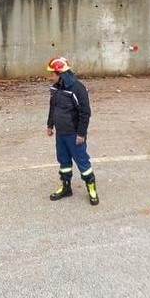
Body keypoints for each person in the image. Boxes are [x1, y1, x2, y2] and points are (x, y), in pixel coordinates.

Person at [46, 56, 99, 205]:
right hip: (61, 134)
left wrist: (81, 134)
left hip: (74, 135)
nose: (50, 77)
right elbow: (53, 107)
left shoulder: (78, 89)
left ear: (60, 74)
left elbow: (85, 113)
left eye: (52, 74)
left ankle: (92, 189)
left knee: (82, 163)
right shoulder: (55, 88)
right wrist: (50, 125)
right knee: (64, 161)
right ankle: (66, 187)